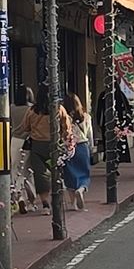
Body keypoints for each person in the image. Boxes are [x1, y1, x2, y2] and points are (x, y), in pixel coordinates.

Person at [19, 83, 71, 215]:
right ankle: (57, 201)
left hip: (37, 146)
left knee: (40, 175)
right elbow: (67, 127)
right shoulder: (59, 109)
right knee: (56, 173)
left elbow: (25, 127)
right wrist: (65, 138)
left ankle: (45, 205)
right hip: (54, 145)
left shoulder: (32, 111)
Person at [62, 93, 93, 211]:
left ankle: (73, 204)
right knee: (85, 173)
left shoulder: (64, 117)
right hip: (83, 146)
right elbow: (90, 135)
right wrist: (90, 148)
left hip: (68, 147)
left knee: (69, 175)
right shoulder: (86, 117)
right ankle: (81, 190)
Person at [96, 78, 134, 167]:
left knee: (109, 145)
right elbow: (127, 109)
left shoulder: (103, 95)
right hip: (120, 124)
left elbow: (99, 111)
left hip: (107, 125)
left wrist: (99, 123)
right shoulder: (121, 95)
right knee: (118, 145)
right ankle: (115, 163)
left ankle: (111, 163)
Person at [10, 85, 35, 214]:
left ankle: (19, 196)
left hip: (15, 140)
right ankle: (31, 200)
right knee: (28, 171)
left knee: (15, 170)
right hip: (28, 141)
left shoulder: (12, 108)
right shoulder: (31, 109)